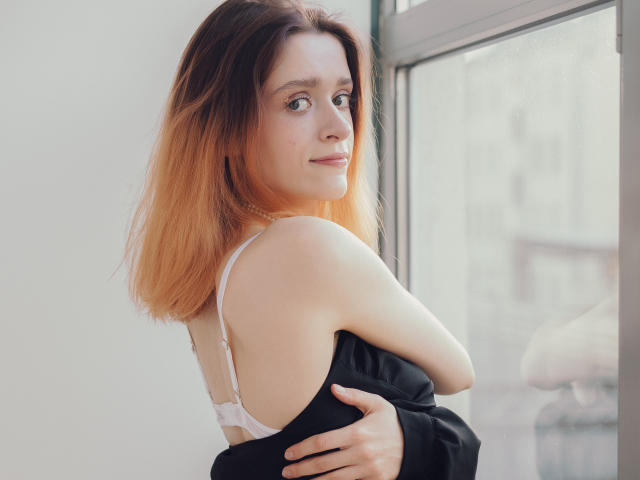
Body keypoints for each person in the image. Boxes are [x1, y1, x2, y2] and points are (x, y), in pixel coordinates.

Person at [124, 0, 481, 478]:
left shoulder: (216, 269)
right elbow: (458, 371)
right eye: (298, 102)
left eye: (342, 97)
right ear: (226, 128)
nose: (339, 128)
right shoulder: (307, 248)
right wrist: (411, 435)